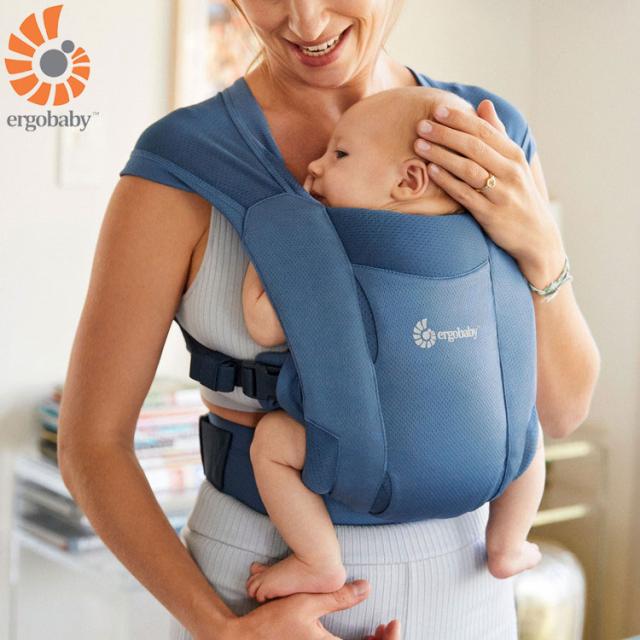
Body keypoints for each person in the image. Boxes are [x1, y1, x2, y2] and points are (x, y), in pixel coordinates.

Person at [57, 1, 601, 639]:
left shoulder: (487, 139)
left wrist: (543, 250)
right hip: (254, 584)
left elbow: (561, 412)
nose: (307, 21)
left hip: (468, 582)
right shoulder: (183, 162)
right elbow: (92, 445)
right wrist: (223, 630)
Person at [242, 86, 546, 606]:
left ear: (408, 180)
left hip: (367, 466)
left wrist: (270, 248)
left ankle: (318, 560)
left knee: (271, 442)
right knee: (527, 433)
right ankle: (508, 542)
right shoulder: (494, 245)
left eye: (339, 154)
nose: (315, 165)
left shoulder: (331, 246)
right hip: (489, 462)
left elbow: (264, 326)